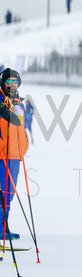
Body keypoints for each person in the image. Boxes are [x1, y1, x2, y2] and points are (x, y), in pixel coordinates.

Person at [0, 69, 29, 241]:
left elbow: (20, 125)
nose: (11, 84)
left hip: (15, 153)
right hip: (2, 152)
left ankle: (4, 226)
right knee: (2, 191)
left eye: (14, 81)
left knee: (9, 192)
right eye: (8, 81)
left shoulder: (18, 102)